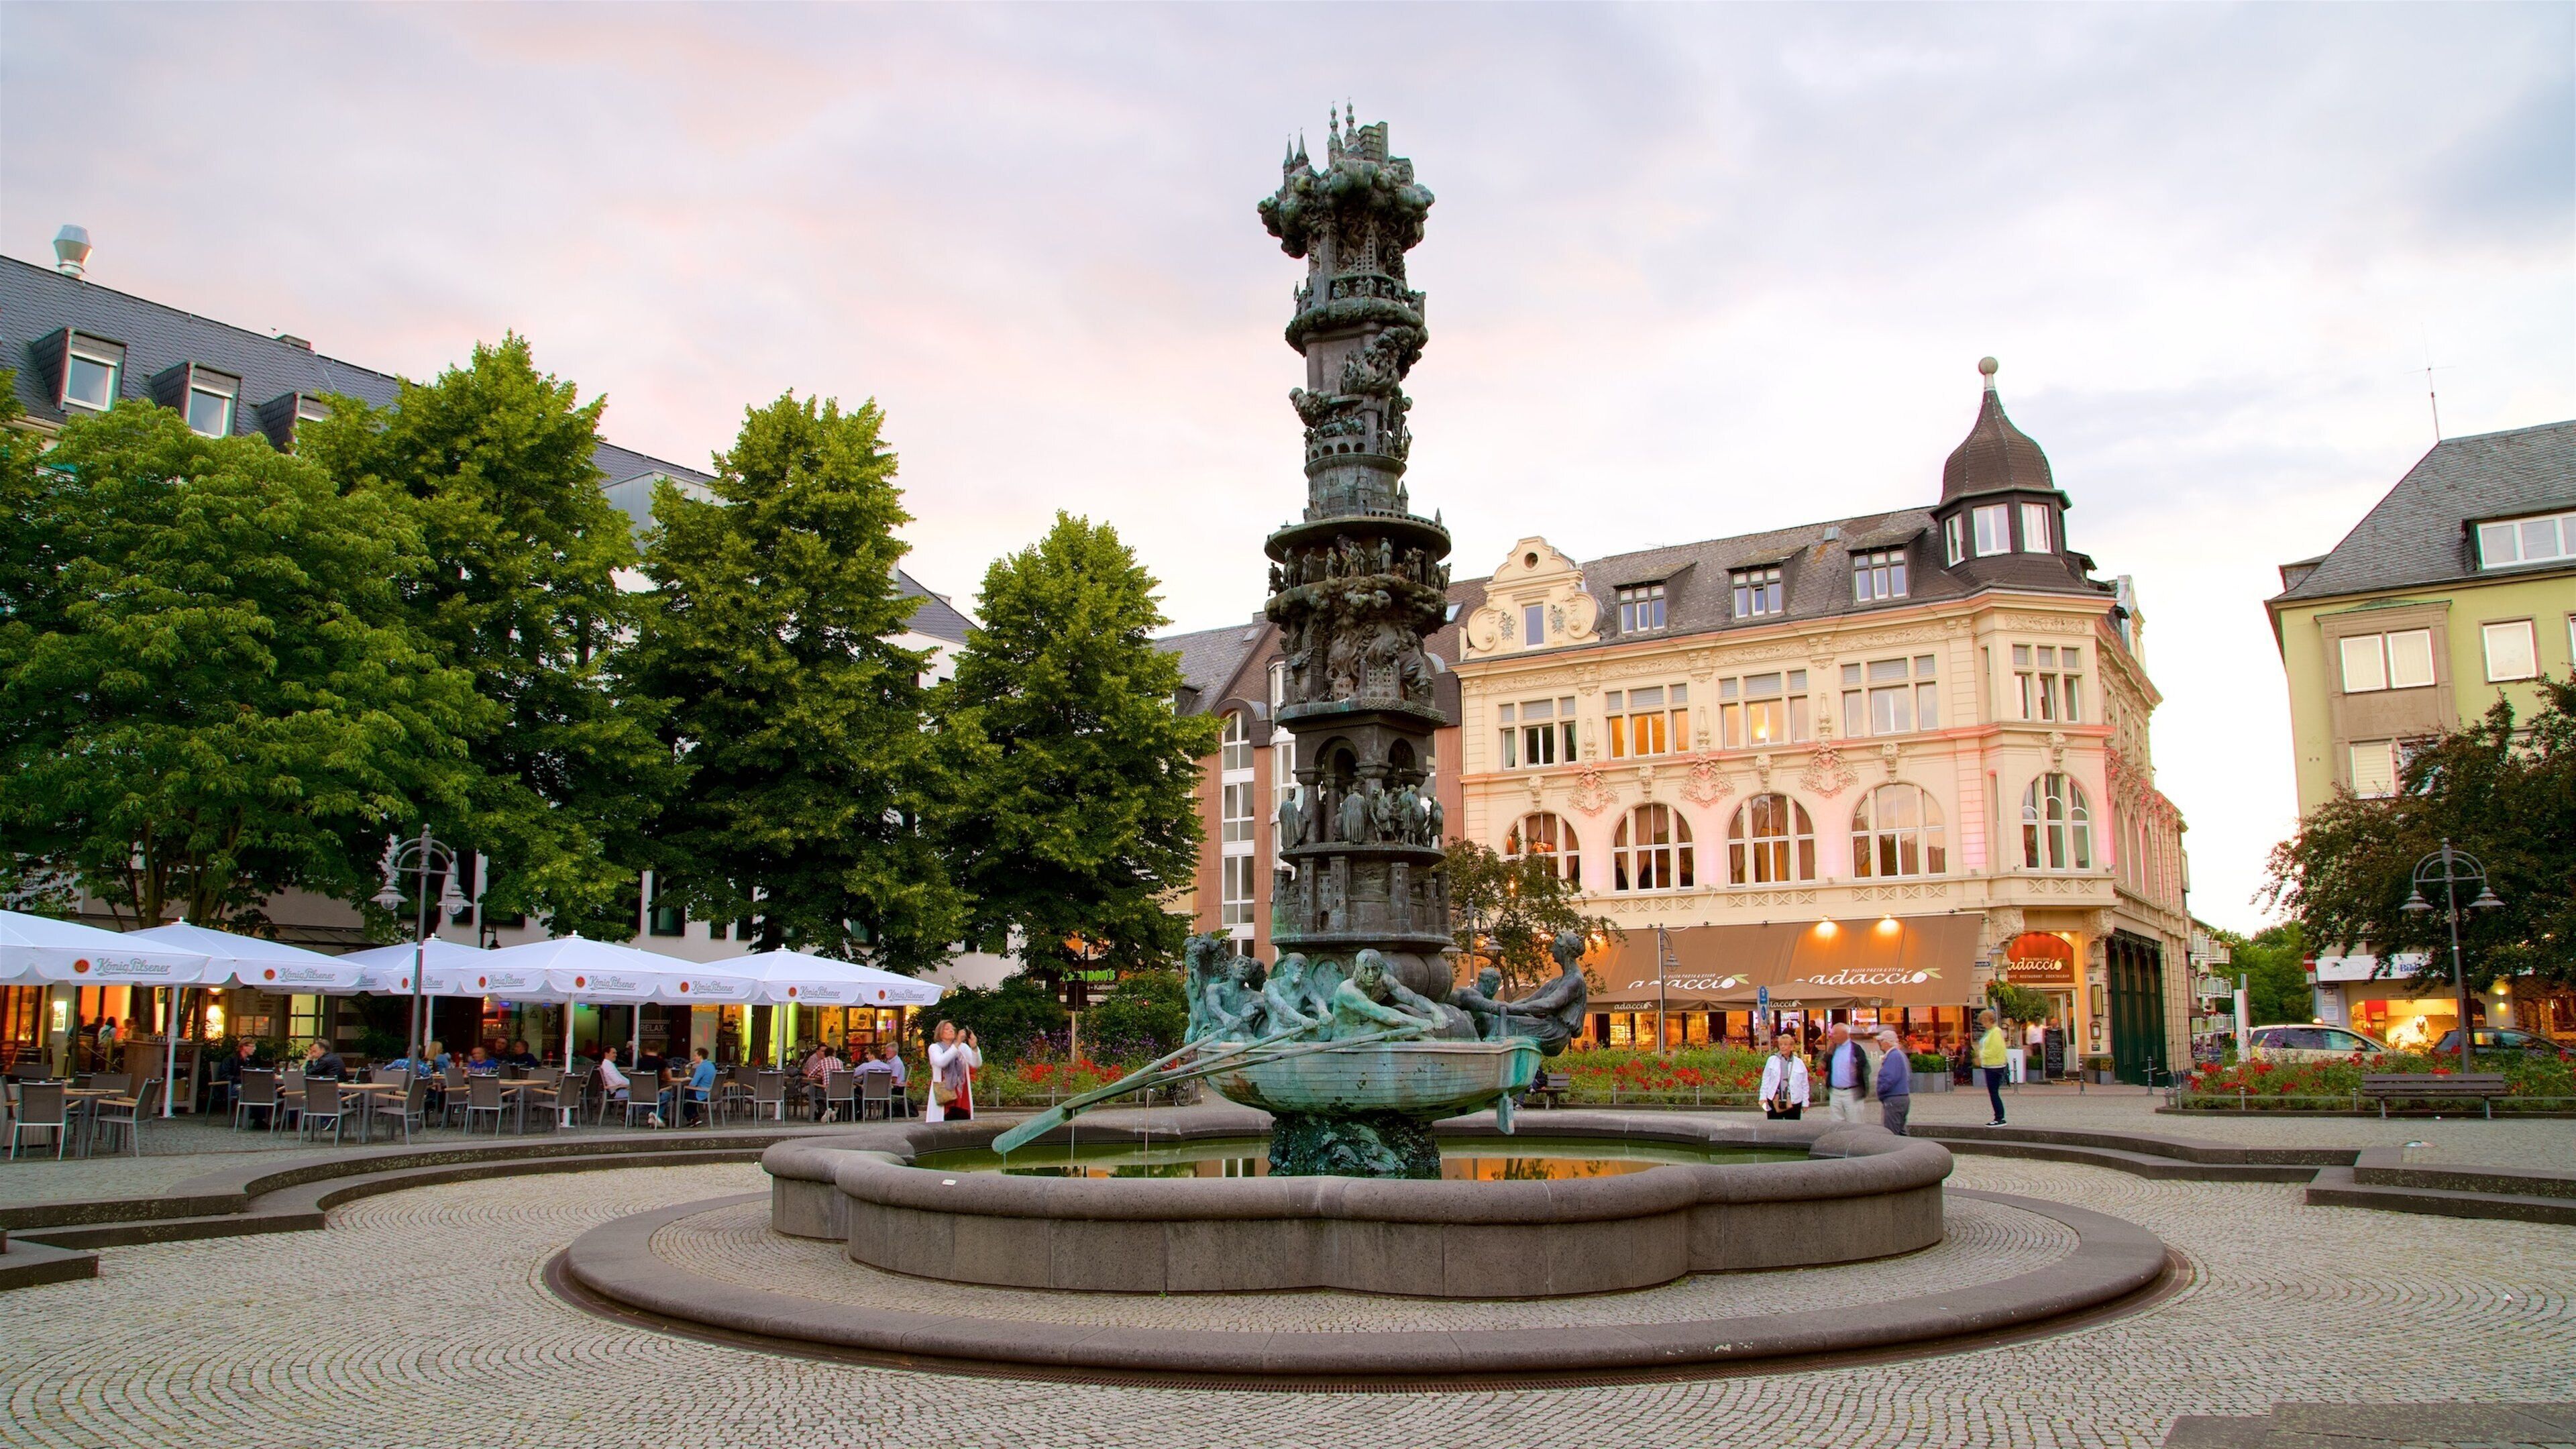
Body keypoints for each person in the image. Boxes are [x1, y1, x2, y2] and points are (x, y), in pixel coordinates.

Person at [925, 1022, 979, 1123]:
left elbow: (976, 1064)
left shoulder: (963, 1047)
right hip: (945, 1092)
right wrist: (957, 1044)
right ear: (940, 1033)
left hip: (961, 1092)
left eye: (952, 1028)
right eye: (947, 1029)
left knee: (963, 1122)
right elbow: (941, 1062)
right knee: (942, 1122)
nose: (951, 1030)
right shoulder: (935, 1048)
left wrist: (974, 1047)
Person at [1823, 1023, 1874, 1124]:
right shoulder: (1833, 1049)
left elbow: (1865, 1067)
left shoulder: (1856, 1049)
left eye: (1836, 1033)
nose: (1832, 1036)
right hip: (1835, 1092)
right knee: (1836, 1123)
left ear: (1845, 1034)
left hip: (1852, 1092)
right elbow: (1825, 1066)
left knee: (1855, 1122)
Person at [1758, 1034, 1809, 1120]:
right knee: (1774, 1127)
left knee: (1792, 1128)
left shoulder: (1799, 1063)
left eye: (1786, 1045)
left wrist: (1805, 1102)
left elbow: (1805, 1084)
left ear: (1792, 1047)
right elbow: (1766, 1080)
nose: (1783, 1047)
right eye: (1781, 1045)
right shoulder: (1772, 1060)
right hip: (1775, 1098)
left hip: (1794, 1100)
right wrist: (1763, 1097)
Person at [1874, 1028, 1913, 1137]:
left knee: (1891, 1133)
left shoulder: (1893, 1056)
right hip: (1901, 1097)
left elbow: (1889, 1078)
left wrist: (1880, 1092)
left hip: (1893, 1098)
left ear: (1887, 1042)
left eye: (1881, 1041)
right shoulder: (1900, 1055)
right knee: (1901, 1131)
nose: (1880, 1044)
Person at [1976, 1008, 2011, 1126]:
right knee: (1993, 1092)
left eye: (1984, 1022)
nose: (1983, 1024)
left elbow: (1995, 1050)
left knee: (1994, 1092)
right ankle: (1998, 1117)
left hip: (1995, 1066)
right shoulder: (1990, 1032)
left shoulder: (1996, 1032)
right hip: (1989, 1065)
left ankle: (1999, 1117)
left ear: (1989, 1020)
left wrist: (1981, 1055)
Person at [597, 1044, 633, 1120]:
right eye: (613, 1053)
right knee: (638, 1095)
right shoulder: (607, 1065)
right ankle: (629, 1116)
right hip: (616, 1091)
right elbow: (617, 1081)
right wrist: (630, 1084)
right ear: (607, 1054)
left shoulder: (610, 1064)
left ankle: (628, 1116)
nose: (616, 1055)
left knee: (637, 1092)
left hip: (620, 1089)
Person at [686, 1047, 718, 1126]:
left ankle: (693, 1118)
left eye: (695, 1056)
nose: (694, 1058)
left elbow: (693, 1084)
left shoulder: (701, 1067)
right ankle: (695, 1118)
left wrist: (687, 1083)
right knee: (688, 1097)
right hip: (710, 1092)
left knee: (681, 1098)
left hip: (702, 1093)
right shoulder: (711, 1065)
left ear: (700, 1056)